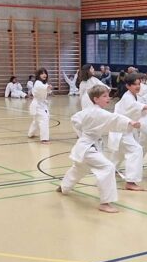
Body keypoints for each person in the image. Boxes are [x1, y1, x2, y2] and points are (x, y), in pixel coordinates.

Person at [57, 85, 141, 213]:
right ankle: (105, 203)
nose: (108, 98)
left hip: (84, 146)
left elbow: (75, 119)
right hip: (88, 148)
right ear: (96, 99)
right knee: (108, 167)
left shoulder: (87, 111)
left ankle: (63, 187)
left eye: (108, 95)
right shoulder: (99, 112)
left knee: (79, 168)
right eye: (104, 96)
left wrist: (83, 132)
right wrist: (131, 122)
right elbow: (115, 118)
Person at [111, 74, 147, 191]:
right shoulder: (127, 98)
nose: (138, 86)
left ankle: (109, 171)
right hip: (121, 130)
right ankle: (130, 181)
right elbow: (135, 106)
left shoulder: (135, 96)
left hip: (125, 130)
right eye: (135, 84)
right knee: (136, 150)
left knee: (120, 153)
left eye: (139, 84)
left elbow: (138, 107)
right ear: (128, 86)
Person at [27, 68, 52, 143]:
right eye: (42, 73)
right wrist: (47, 87)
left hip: (42, 104)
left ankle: (30, 134)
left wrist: (48, 88)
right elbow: (42, 87)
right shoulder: (38, 82)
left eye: (45, 73)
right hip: (37, 105)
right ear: (38, 75)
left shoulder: (44, 83)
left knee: (36, 121)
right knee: (44, 120)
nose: (44, 75)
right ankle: (44, 139)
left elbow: (48, 90)